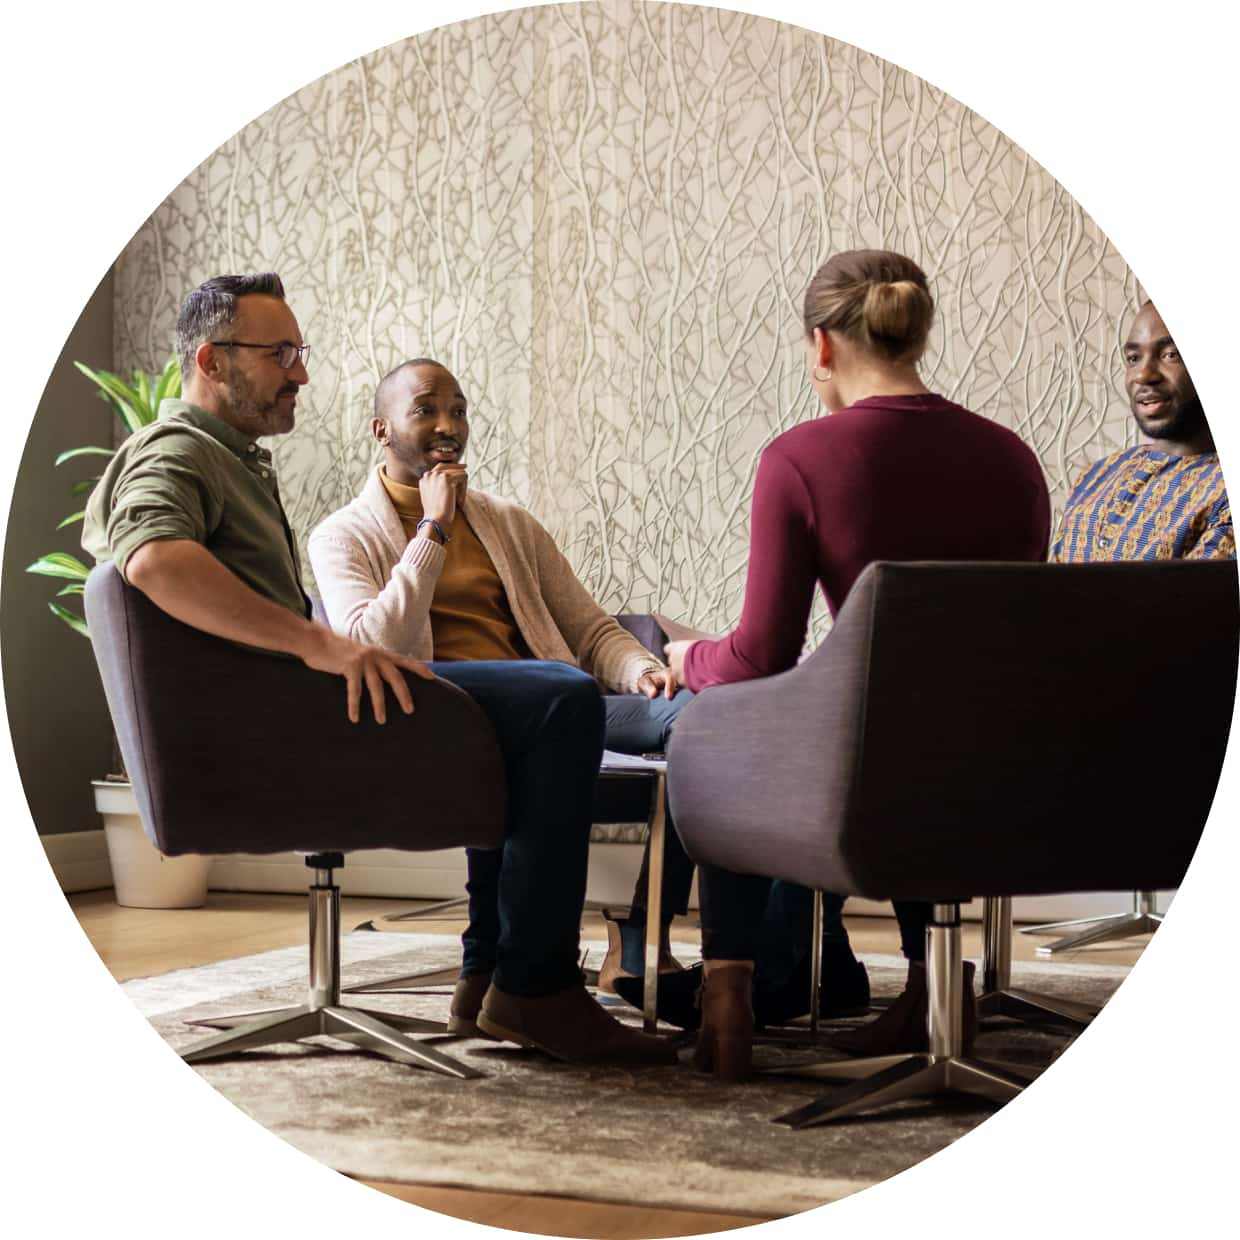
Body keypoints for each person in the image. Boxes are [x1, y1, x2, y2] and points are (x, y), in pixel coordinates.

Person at [81, 273, 675, 1069]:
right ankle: (533, 986)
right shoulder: (181, 450)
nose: (300, 372)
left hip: (297, 715)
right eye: (281, 353)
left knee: (566, 700)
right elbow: (152, 560)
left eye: (301, 352)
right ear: (212, 362)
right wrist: (325, 645)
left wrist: (639, 666)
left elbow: (589, 625)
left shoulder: (234, 461)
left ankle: (510, 975)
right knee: (559, 700)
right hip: (293, 728)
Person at [307, 358, 870, 1030]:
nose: (448, 425)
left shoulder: (508, 523)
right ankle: (498, 965)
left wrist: (639, 672)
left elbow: (588, 626)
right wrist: (432, 531)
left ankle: (706, 952)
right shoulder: (342, 533)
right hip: (442, 719)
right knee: (549, 722)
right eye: (426, 409)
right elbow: (375, 645)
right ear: (381, 428)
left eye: (458, 409)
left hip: (561, 707)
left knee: (709, 720)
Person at [661, 249, 1052, 1079]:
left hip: (861, 783)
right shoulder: (1013, 459)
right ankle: (930, 987)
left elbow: (760, 655)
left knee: (721, 721)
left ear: (822, 346)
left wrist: (688, 655)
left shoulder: (801, 458)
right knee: (929, 707)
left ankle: (726, 993)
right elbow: (985, 651)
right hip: (1001, 771)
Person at [1053, 300, 1230, 562]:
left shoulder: (1224, 492)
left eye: (1172, 354)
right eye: (1134, 358)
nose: (1143, 375)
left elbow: (1197, 601)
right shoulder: (1097, 476)